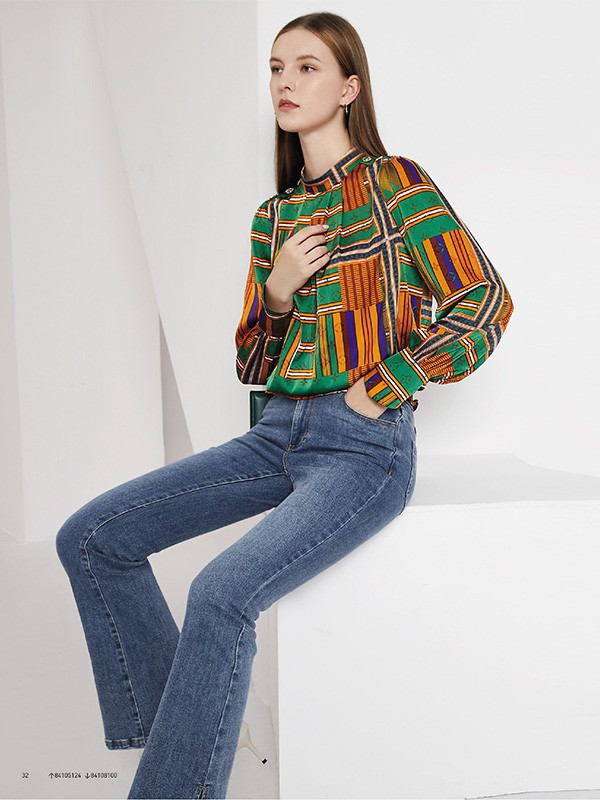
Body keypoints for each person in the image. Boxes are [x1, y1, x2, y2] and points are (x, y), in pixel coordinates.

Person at [55, 11, 514, 800]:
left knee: (220, 593)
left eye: (307, 68)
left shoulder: (395, 185)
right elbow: (252, 364)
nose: (285, 83)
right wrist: (276, 292)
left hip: (362, 448)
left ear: (349, 88)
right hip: (275, 433)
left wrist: (386, 383)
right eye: (276, 68)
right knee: (92, 538)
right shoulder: (275, 218)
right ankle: (179, 742)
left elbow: (486, 300)